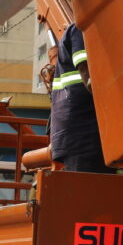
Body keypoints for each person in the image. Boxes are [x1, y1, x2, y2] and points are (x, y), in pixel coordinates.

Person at [49, 23, 111, 173]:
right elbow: (87, 73)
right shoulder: (82, 27)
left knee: (95, 184)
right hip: (82, 131)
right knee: (89, 184)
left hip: (83, 130)